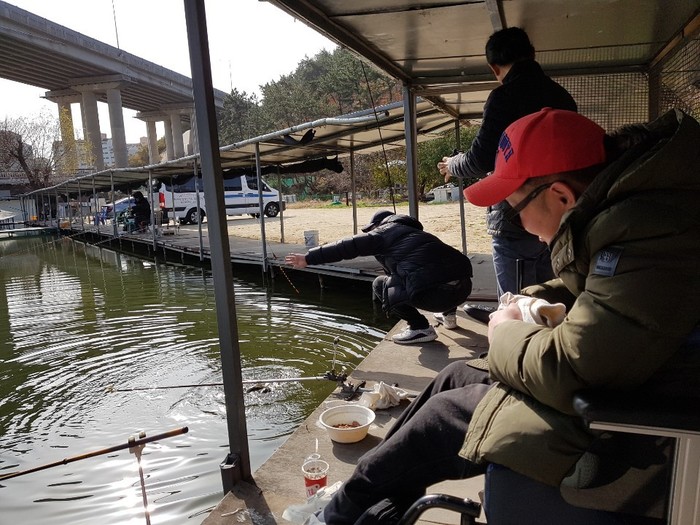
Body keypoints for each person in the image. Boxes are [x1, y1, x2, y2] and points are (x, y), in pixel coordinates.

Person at [321, 108, 700, 524]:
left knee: (440, 420)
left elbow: (575, 368)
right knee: (454, 377)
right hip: (631, 379)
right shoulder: (628, 217)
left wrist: (504, 331)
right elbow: (593, 291)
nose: (515, 221)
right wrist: (527, 299)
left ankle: (339, 515)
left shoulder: (649, 229)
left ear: (560, 196)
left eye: (513, 207)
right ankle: (372, 500)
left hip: (633, 416)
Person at [438, 27, 577, 301]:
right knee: (550, 298)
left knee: (516, 303)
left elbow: (481, 159)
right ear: (533, 54)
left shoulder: (504, 97)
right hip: (558, 214)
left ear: (494, 67)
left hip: (516, 214)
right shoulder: (563, 98)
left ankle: (512, 334)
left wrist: (452, 165)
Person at [285, 210, 473, 344]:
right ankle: (449, 317)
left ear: (378, 225)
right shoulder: (417, 233)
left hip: (436, 297)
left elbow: (347, 246)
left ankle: (420, 328)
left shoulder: (383, 233)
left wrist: (308, 258)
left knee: (380, 284)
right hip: (463, 289)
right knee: (439, 270)